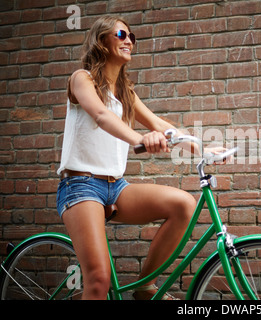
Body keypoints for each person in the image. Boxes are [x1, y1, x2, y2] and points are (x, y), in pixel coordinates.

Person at [56, 16, 214, 300]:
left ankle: (144, 287)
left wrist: (204, 149)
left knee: (183, 204)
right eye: (120, 34)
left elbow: (160, 125)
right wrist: (139, 139)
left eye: (132, 36)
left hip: (116, 187)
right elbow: (101, 116)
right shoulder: (82, 79)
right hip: (80, 186)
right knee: (98, 282)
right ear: (101, 40)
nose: (128, 40)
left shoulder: (126, 93)